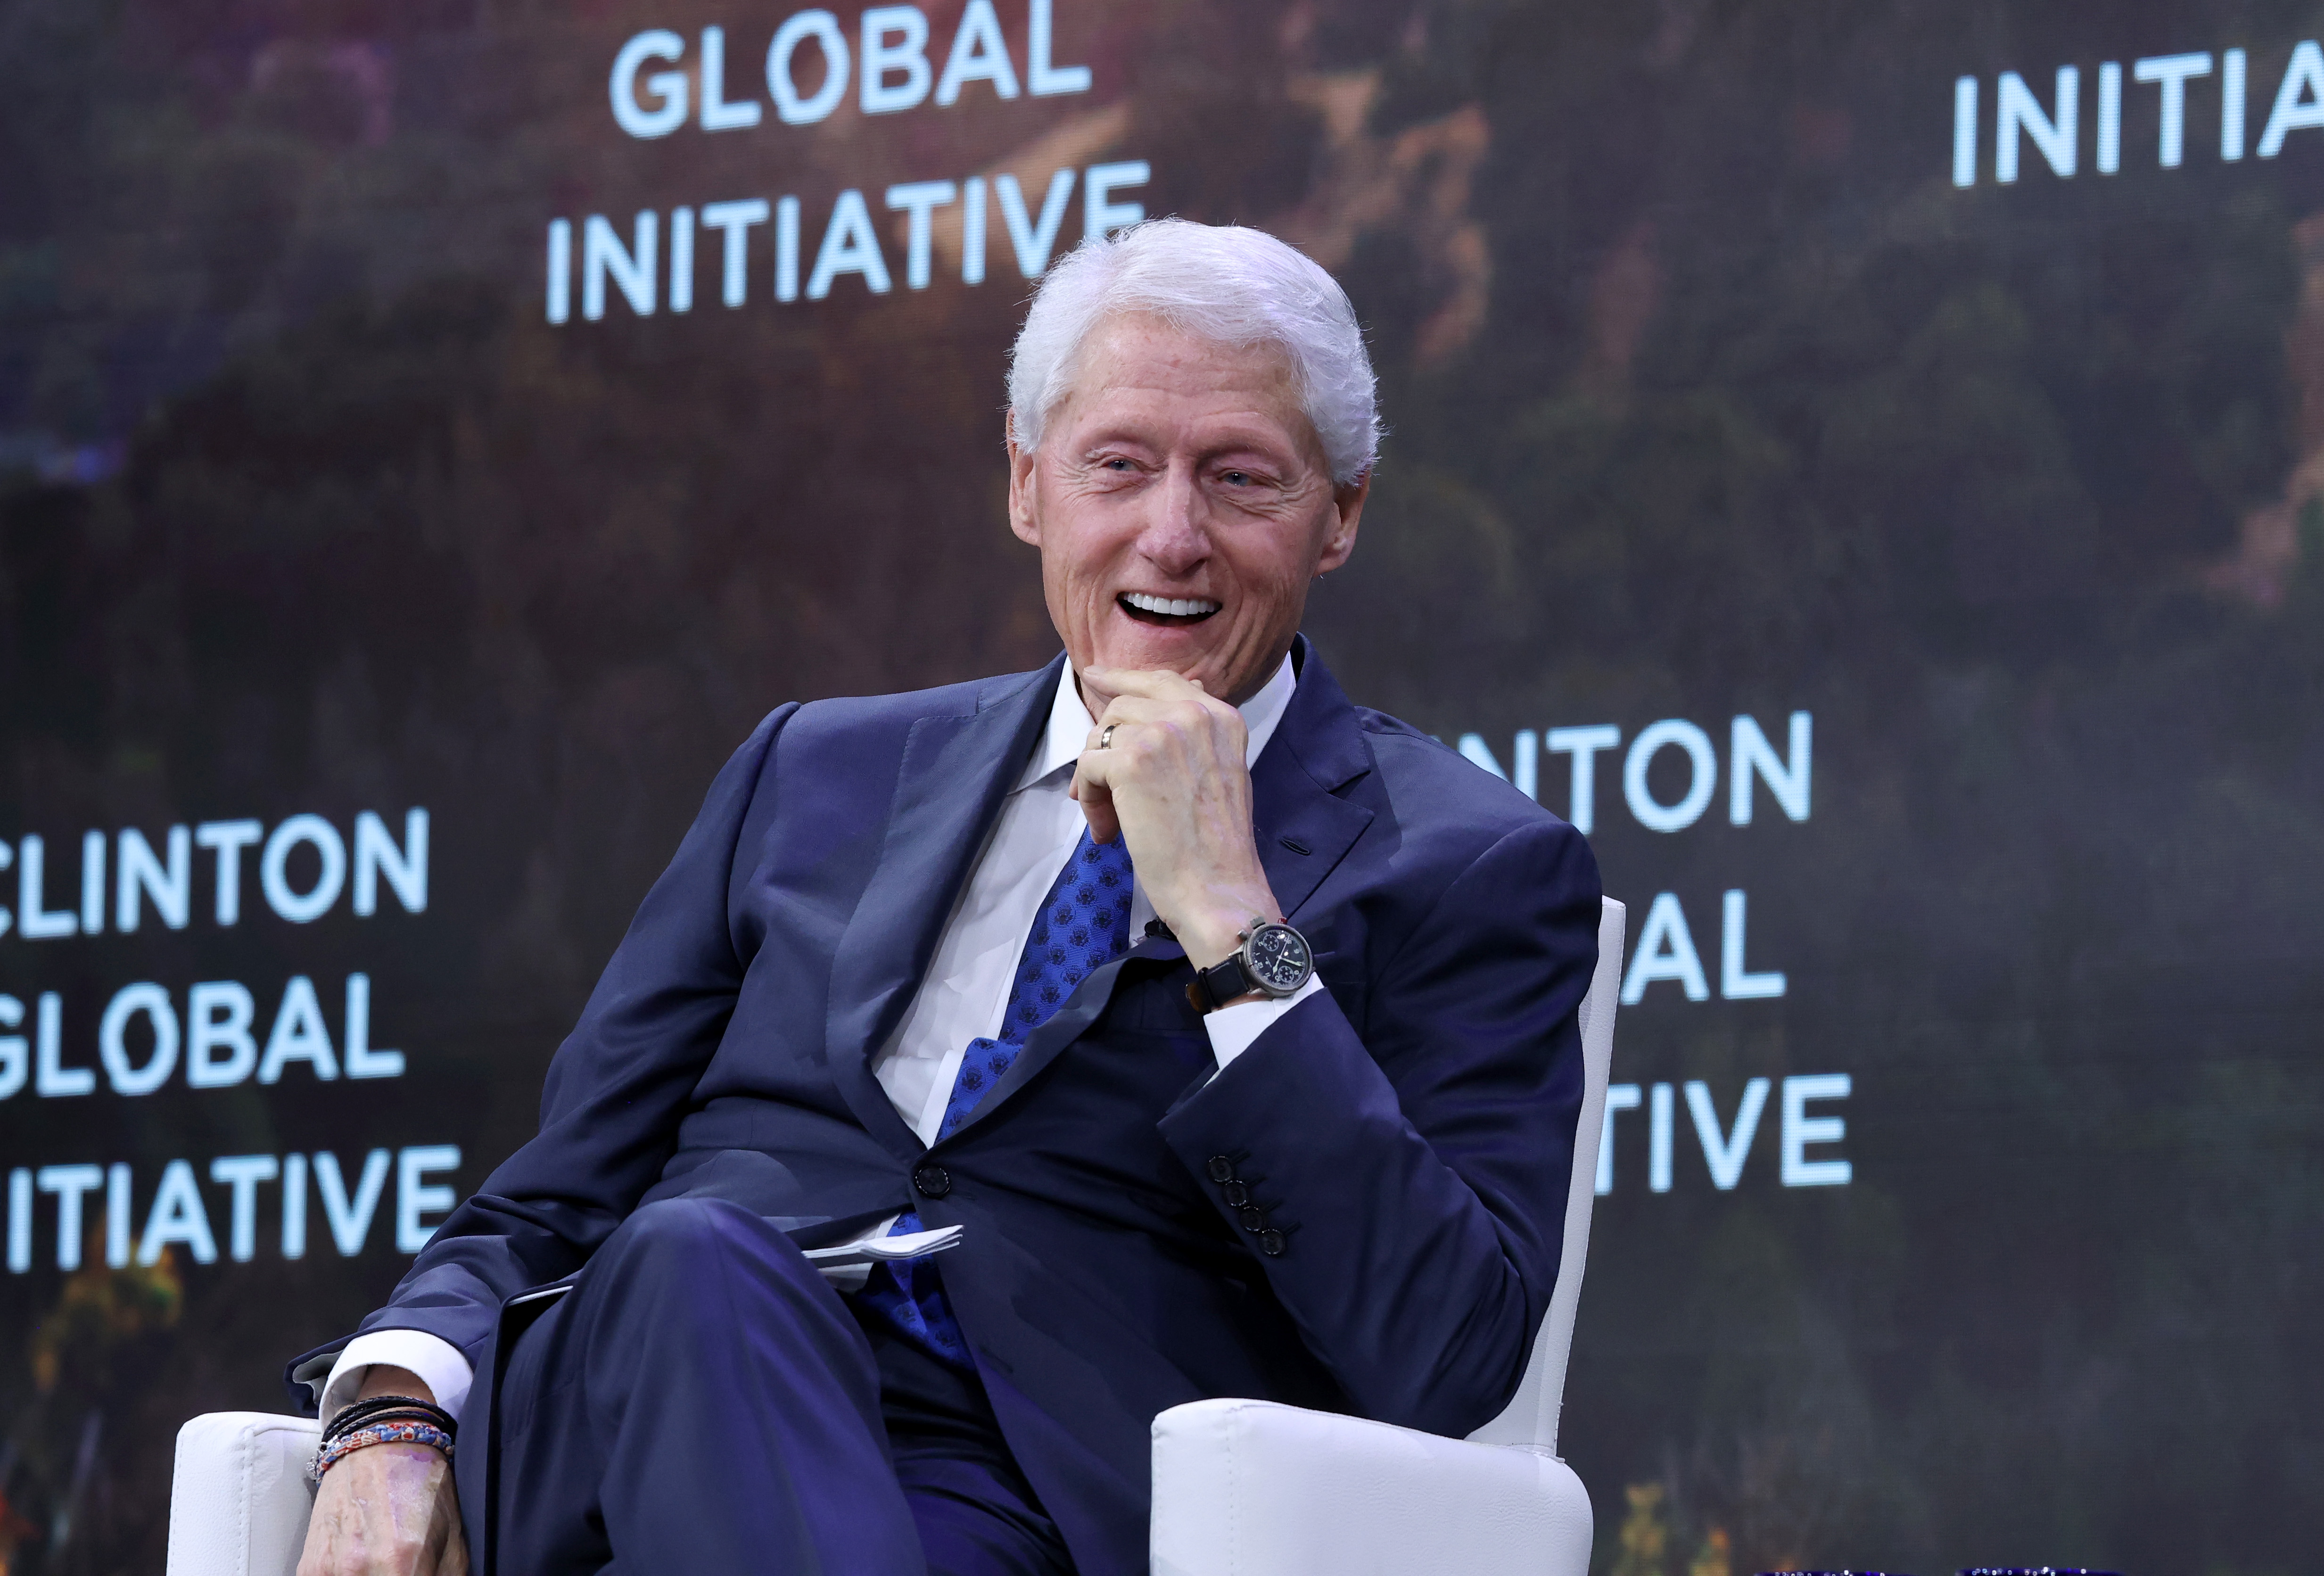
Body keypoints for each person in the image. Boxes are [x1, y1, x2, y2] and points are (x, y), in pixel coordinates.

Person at [287, 218, 1601, 1576]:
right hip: (633, 1404)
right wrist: (386, 1418)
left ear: (1341, 515)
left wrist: (1230, 920)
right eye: (1117, 466)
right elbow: (549, 1202)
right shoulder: (812, 772)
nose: (1172, 534)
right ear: (1029, 488)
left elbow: (1448, 1350)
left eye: (1240, 480)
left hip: (1007, 1491)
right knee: (699, 1263)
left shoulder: (1468, 865)